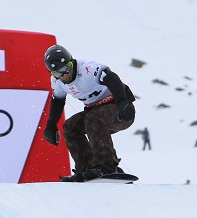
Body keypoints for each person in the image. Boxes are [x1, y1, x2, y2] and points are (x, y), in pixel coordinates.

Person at [40, 44, 136, 182]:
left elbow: (112, 78)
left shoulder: (88, 69)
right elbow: (58, 102)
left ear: (71, 62)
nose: (63, 76)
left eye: (66, 70)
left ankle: (106, 166)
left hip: (121, 111)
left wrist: (123, 102)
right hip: (96, 113)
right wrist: (51, 125)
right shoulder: (57, 81)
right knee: (70, 127)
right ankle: (86, 167)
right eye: (57, 73)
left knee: (94, 118)